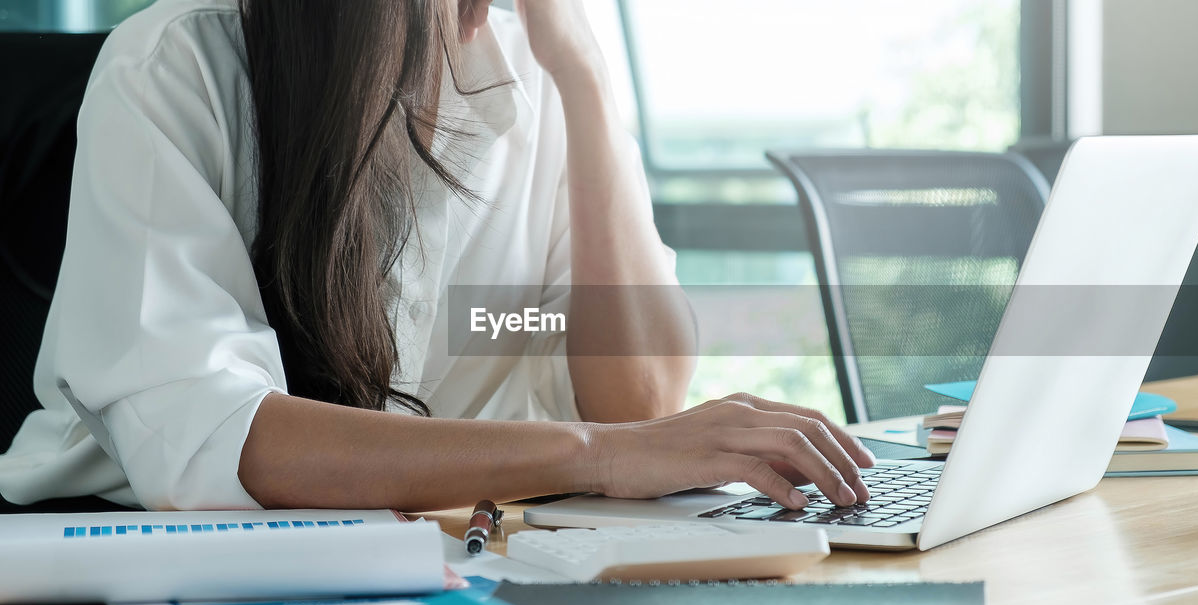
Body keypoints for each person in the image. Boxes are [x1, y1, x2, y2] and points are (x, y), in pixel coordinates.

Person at [0, 0, 873, 514]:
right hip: (130, 573)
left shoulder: (535, 68)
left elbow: (640, 396)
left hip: (451, 552)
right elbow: (217, 443)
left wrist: (587, 80)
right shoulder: (174, 66)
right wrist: (597, 453)